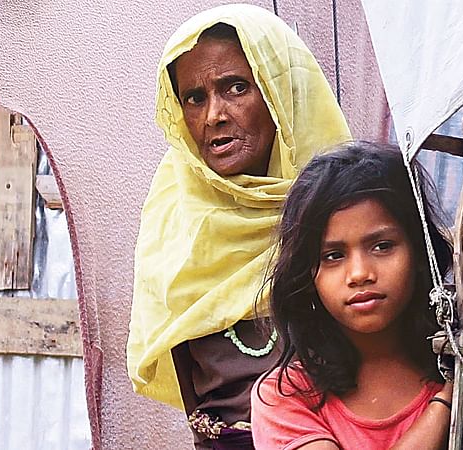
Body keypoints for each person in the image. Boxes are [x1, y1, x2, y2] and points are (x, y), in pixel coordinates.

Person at [126, 5, 350, 449]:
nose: (213, 116)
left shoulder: (347, 213)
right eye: (194, 97)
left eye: (236, 88)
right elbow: (196, 401)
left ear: (280, 94)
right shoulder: (174, 222)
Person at [251, 142, 454, 449]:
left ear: (420, 252)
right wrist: (445, 405)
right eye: (333, 255)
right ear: (307, 273)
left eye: (382, 246)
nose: (359, 273)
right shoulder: (287, 396)